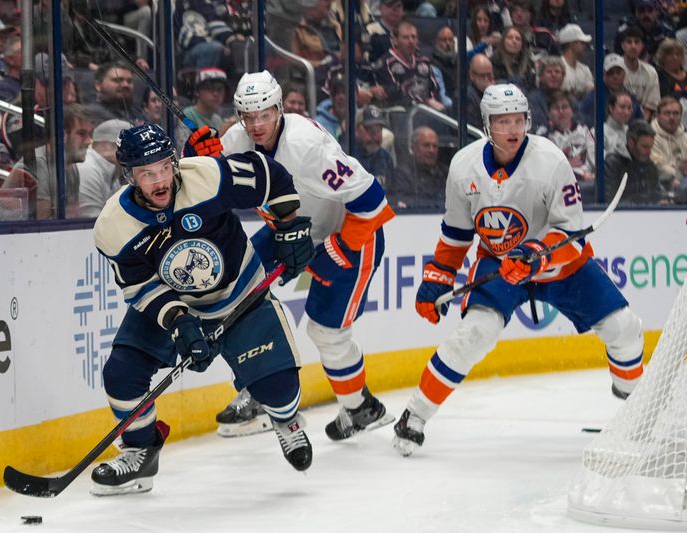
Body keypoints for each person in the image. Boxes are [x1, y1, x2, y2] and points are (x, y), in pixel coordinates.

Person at [393, 83, 646, 457]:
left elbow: (573, 235)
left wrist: (537, 253)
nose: (512, 129)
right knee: (474, 333)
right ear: (486, 124)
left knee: (624, 328)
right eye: (502, 122)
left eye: (517, 120)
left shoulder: (551, 162)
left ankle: (634, 406)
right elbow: (457, 234)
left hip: (559, 265)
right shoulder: (464, 166)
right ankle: (414, 416)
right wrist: (437, 278)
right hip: (498, 260)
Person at [90, 122, 315, 494]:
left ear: (175, 162)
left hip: (241, 293)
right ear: (129, 176)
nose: (159, 181)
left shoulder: (208, 177)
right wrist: (179, 322)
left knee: (279, 388)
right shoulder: (114, 226)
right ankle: (140, 453)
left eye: (164, 167)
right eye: (147, 174)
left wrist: (289, 227)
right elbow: (141, 288)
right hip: (177, 305)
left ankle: (287, 421)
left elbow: (270, 176)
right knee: (121, 373)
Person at [219, 70, 397, 441]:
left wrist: (339, 248)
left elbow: (373, 201)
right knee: (238, 291)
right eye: (247, 116)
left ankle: (360, 408)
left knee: (325, 329)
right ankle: (264, 389)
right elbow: (210, 189)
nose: (255, 125)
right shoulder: (235, 140)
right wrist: (198, 157)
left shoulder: (306, 147)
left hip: (347, 233)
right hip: (288, 230)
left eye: (264, 114)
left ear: (279, 109)